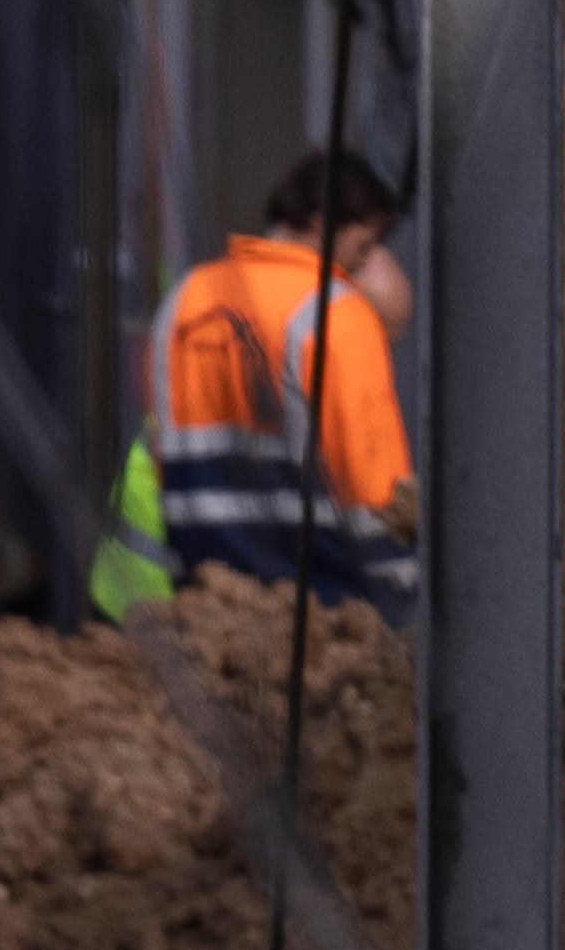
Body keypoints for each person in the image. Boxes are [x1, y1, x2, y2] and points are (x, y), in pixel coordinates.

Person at [89, 148, 421, 624]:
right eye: (364, 245)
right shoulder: (338, 313)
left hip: (208, 602)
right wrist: (400, 598)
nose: (364, 262)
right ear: (322, 220)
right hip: (317, 607)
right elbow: (374, 482)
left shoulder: (188, 299)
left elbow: (164, 454)